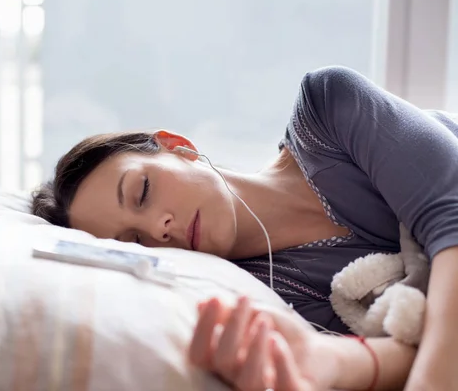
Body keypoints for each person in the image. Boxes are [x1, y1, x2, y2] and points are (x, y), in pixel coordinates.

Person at [32, 66, 458, 390]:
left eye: (142, 191)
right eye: (134, 241)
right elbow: (411, 350)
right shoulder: (265, 293)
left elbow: (451, 215)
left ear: (178, 146)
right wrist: (325, 358)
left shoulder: (329, 111)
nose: (159, 229)